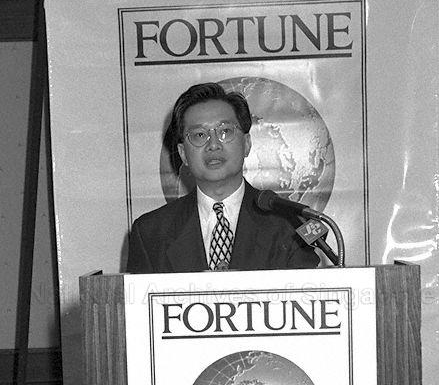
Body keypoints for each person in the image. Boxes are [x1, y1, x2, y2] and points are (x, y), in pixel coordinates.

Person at [126, 82, 320, 273]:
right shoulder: (150, 232)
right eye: (200, 135)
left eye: (225, 131)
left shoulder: (291, 224)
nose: (213, 145)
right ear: (183, 153)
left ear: (246, 144)